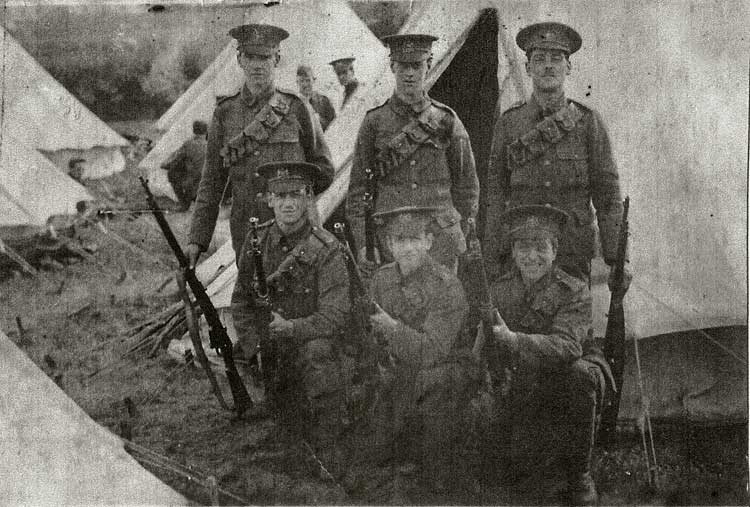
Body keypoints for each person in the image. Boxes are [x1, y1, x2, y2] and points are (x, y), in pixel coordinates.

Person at [483, 204, 613, 505]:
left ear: (554, 251)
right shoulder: (500, 290)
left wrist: (514, 340)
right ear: (513, 252)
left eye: (541, 247)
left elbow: (567, 347)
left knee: (580, 376)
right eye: (523, 247)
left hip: (565, 376)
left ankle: (580, 474)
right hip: (522, 379)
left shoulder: (574, 290)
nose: (532, 257)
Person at [484, 22, 628, 289]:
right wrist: (492, 255)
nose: (548, 66)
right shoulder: (509, 124)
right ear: (527, 68)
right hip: (524, 253)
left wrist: (617, 259)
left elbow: (608, 197)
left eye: (556, 59)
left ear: (569, 67)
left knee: (573, 328)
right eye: (539, 59)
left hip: (572, 250)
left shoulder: (588, 123)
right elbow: (496, 195)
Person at [186, 24, 334, 267]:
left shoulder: (297, 108)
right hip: (247, 232)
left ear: (276, 59)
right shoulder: (225, 113)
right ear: (239, 60)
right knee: (253, 300)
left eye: (264, 57)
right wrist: (197, 240)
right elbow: (212, 182)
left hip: (294, 232)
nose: (257, 65)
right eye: (250, 57)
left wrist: (292, 202)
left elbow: (324, 170)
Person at [230, 161, 349, 462]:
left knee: (317, 355)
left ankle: (328, 442)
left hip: (313, 342)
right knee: (286, 430)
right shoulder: (256, 240)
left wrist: (292, 329)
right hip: (273, 348)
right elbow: (241, 300)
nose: (287, 204)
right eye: (280, 196)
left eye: (295, 195)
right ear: (269, 200)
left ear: (308, 197)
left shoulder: (327, 248)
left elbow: (334, 315)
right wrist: (253, 345)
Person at [366, 206, 480, 499]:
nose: (408, 248)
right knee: (372, 458)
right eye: (400, 241)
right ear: (389, 245)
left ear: (428, 241)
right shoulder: (382, 279)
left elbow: (431, 350)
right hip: (399, 372)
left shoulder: (447, 285)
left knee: (431, 474)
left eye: (414, 239)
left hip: (440, 377)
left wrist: (392, 329)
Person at [345, 34, 479, 272]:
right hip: (392, 241)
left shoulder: (446, 120)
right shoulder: (374, 122)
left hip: (439, 241)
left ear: (428, 65)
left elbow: (467, 186)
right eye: (403, 66)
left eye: (416, 66)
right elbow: (358, 191)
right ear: (392, 67)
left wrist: (460, 232)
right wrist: (364, 243)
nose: (409, 74)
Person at [160, 120, 207, 211]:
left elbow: (175, 159)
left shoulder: (189, 144)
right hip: (212, 179)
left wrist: (164, 165)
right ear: (206, 130)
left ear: (194, 130)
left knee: (172, 174)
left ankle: (184, 204)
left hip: (195, 179)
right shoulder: (211, 143)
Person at [296, 65, 336, 131]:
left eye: (308, 80)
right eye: (302, 81)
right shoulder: (294, 102)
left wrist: (319, 120)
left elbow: (334, 126)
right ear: (297, 82)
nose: (305, 84)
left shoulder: (324, 101)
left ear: (313, 80)